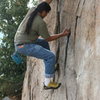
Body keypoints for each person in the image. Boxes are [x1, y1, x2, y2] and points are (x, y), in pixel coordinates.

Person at [14, 0, 70, 90]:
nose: (46, 15)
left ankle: (50, 67)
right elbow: (49, 38)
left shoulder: (33, 10)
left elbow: (45, 2)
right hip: (24, 46)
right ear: (43, 12)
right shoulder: (40, 23)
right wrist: (62, 34)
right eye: (47, 13)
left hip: (22, 41)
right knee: (51, 56)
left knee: (43, 43)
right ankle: (47, 83)